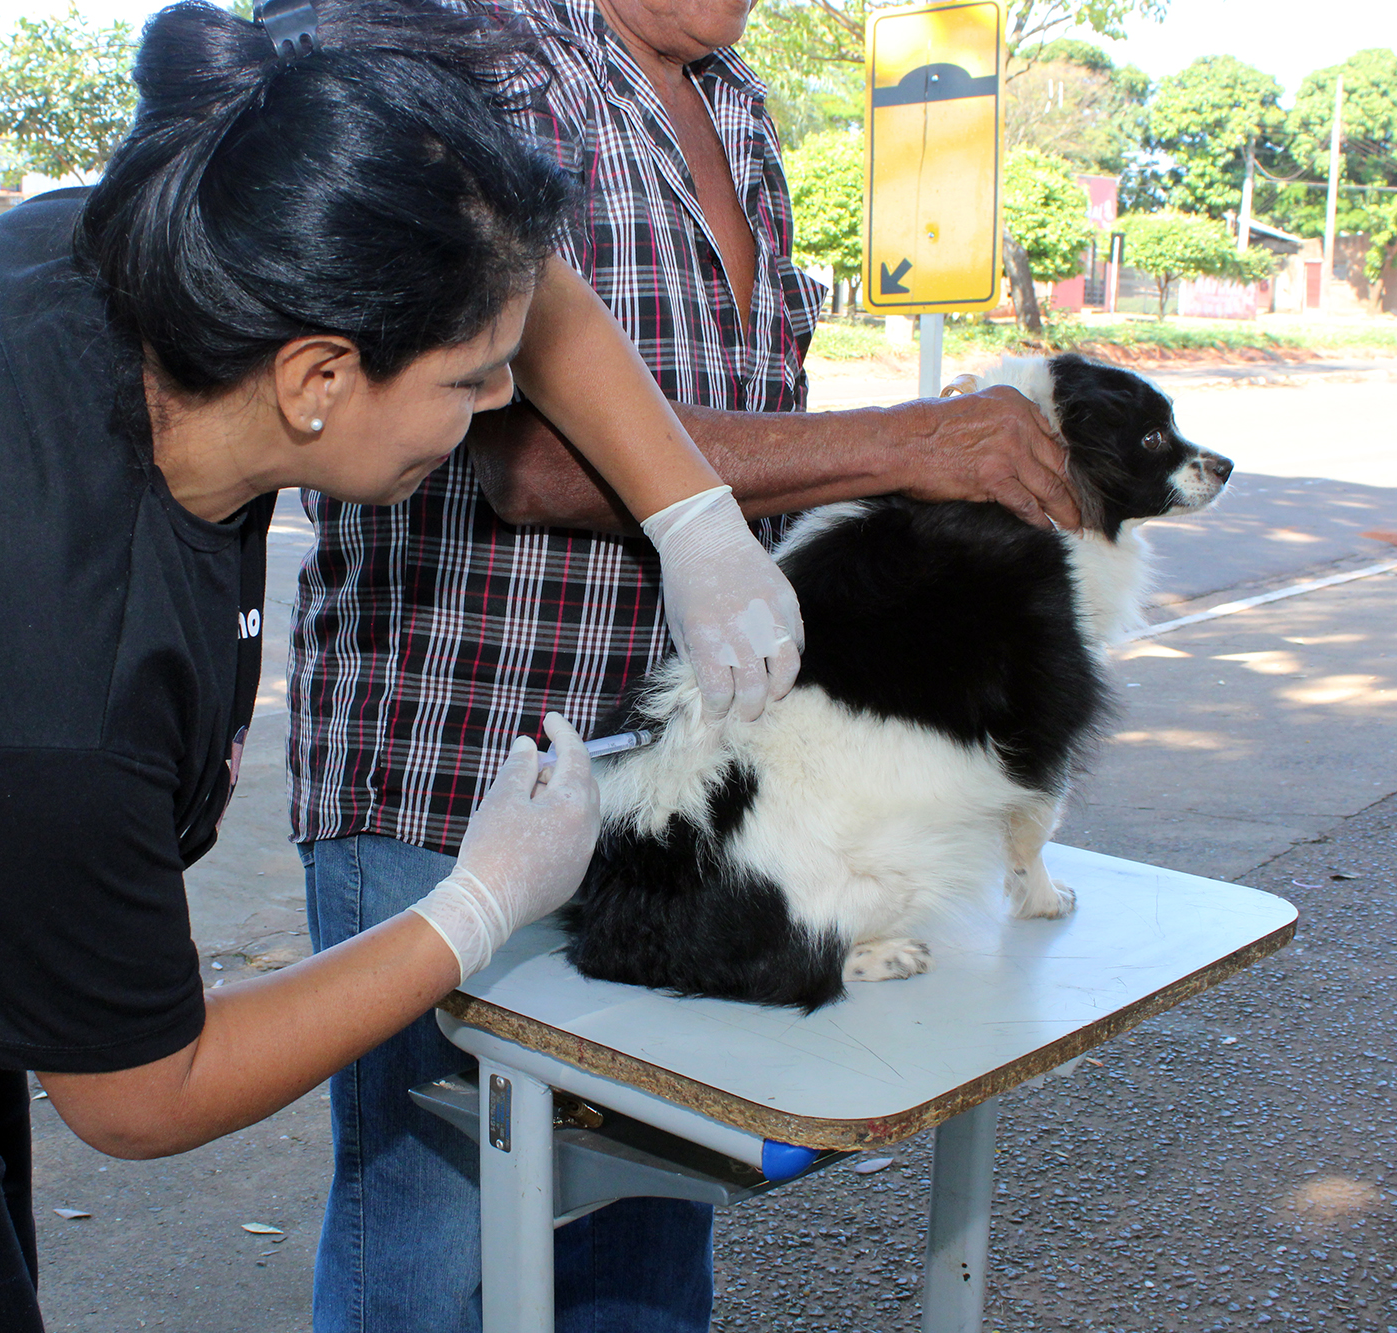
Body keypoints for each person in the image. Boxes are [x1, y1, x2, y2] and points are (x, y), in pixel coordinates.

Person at [0, 3, 804, 1329]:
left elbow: (517, 287)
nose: (491, 415)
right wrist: (475, 905)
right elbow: (141, 1093)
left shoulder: (157, 249)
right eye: (470, 384)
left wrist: (688, 513)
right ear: (318, 377)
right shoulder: (45, 651)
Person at [288, 0, 1083, 1328]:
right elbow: (526, 462)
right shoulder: (486, 59)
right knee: (430, 1240)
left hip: (689, 794)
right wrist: (911, 442)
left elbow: (760, 440)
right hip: (451, 774)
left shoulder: (741, 114)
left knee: (646, 1222)